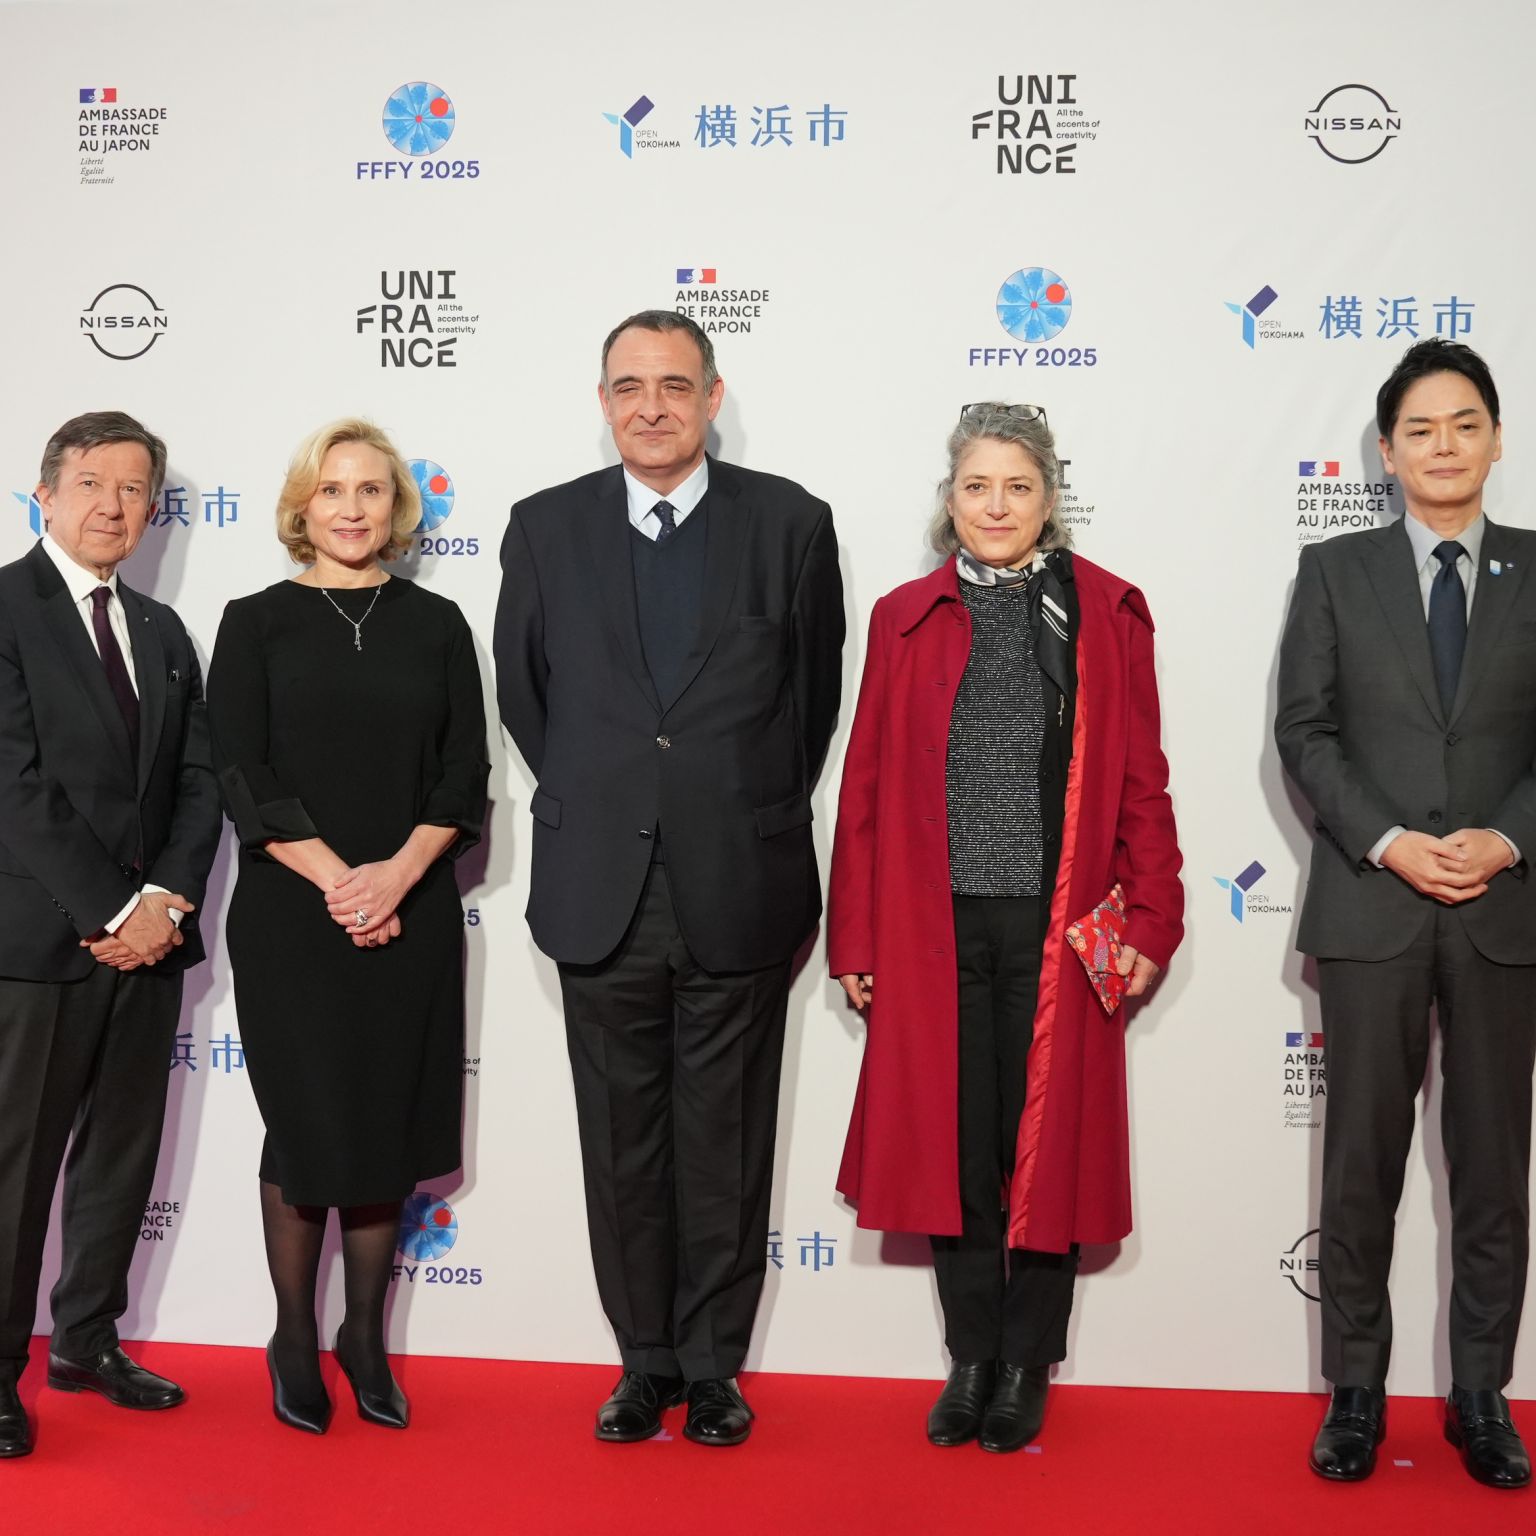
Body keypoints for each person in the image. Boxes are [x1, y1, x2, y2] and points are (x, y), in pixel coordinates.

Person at [494, 310, 844, 1446]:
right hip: (602, 886)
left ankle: (715, 1364)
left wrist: (721, 805)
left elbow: (810, 704)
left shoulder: (790, 523)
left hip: (739, 879)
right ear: (602, 400)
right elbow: (527, 695)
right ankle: (644, 1361)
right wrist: (616, 799)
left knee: (727, 1137)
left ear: (712, 396)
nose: (651, 405)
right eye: (629, 385)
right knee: (623, 1139)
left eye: (675, 385)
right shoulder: (544, 528)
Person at [829, 402, 1183, 1453]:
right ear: (950, 500)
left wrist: (1154, 922)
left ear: (1048, 500)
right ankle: (970, 1360)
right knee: (955, 1145)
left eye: (1018, 487)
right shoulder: (903, 616)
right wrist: (857, 940)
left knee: (1044, 1157)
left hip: (1059, 926)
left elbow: (1142, 782)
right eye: (977, 486)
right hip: (930, 927)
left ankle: (1028, 1364)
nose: (996, 505)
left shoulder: (1107, 612)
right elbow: (865, 791)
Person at [1277, 338, 1534, 1490]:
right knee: (1360, 1171)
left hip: (1503, 908)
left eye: (1464, 423)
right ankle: (1356, 1394)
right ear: (1387, 450)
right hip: (1373, 905)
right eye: (1420, 429)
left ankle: (1483, 1395)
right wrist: (1389, 840)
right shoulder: (1335, 569)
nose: (1444, 445)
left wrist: (1510, 833)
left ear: (1494, 437)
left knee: (1491, 1171)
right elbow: (1308, 733)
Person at [206, 419, 487, 1436]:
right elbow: (243, 773)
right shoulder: (254, 621)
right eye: (333, 490)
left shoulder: (441, 622)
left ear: (397, 509)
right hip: (294, 917)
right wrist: (340, 885)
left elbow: (466, 776)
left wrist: (399, 878)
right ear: (301, 506)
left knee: (384, 1123)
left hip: (410, 915)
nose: (354, 508)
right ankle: (293, 1333)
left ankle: (363, 1335)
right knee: (311, 1120)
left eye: (372, 490)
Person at [0, 412, 221, 1459]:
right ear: (45, 493)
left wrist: (167, 902)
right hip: (40, 949)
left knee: (120, 1158)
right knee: (17, 1169)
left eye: (135, 491)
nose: (111, 506)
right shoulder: (2, 609)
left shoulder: (166, 632)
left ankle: (86, 1339)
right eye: (91, 483)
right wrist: (109, 911)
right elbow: (14, 789)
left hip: (150, 948)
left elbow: (198, 781)